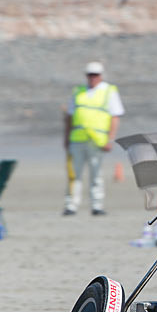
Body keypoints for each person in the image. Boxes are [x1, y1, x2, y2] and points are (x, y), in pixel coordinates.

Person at [63, 62, 124, 216]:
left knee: (96, 175)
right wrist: (66, 137)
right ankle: (71, 205)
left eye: (95, 75)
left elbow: (115, 117)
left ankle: (97, 205)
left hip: (98, 141)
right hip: (77, 139)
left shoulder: (109, 91)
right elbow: (69, 117)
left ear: (101, 75)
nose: (92, 78)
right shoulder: (78, 91)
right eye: (90, 75)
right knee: (74, 175)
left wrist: (110, 139)